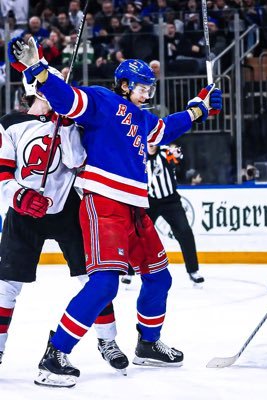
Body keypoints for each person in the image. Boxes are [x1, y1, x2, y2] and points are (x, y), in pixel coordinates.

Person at [8, 36, 222, 387]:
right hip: (103, 202)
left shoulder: (142, 118)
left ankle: (148, 344)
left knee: (159, 277)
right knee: (105, 284)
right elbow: (67, 98)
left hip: (137, 207)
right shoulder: (102, 99)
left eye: (151, 87)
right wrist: (38, 71)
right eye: (141, 86)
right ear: (123, 84)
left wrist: (199, 108)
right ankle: (55, 354)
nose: (147, 92)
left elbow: (167, 128)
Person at [0, 67, 128, 373]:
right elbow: (2, 174)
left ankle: (107, 341)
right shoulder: (10, 124)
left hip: (67, 208)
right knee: (6, 284)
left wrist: (67, 124)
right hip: (24, 214)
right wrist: (21, 196)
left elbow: (75, 162)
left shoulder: (70, 122)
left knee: (93, 279)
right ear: (36, 89)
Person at [146, 144, 204, 284]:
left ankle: (193, 270)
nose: (152, 142)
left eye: (154, 138)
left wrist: (178, 153)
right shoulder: (139, 153)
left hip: (170, 201)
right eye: (149, 139)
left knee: (185, 232)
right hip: (149, 201)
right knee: (137, 234)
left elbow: (177, 157)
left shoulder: (165, 152)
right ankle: (129, 272)